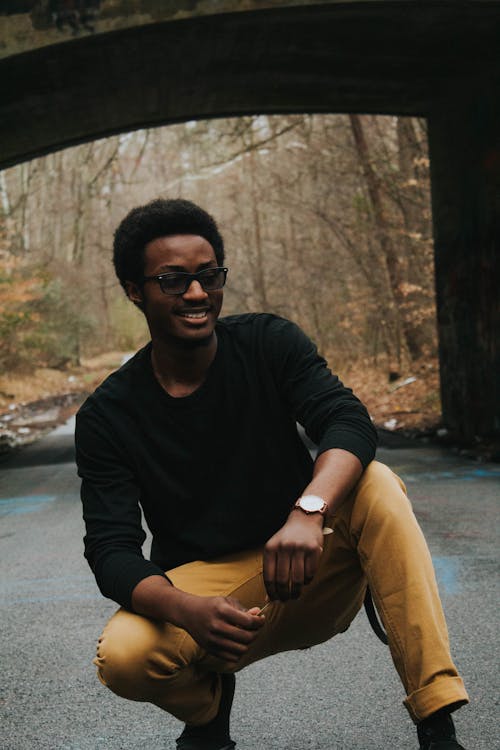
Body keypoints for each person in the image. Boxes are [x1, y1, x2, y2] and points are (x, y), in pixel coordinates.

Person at [76, 198, 469, 750]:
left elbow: (346, 420)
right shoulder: (106, 416)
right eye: (172, 280)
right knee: (125, 658)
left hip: (312, 565)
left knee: (376, 481)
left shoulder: (267, 342)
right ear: (134, 289)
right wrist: (185, 609)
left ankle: (436, 716)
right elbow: (111, 550)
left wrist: (309, 511)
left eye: (208, 275)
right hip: (211, 600)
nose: (196, 294)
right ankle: (208, 714)